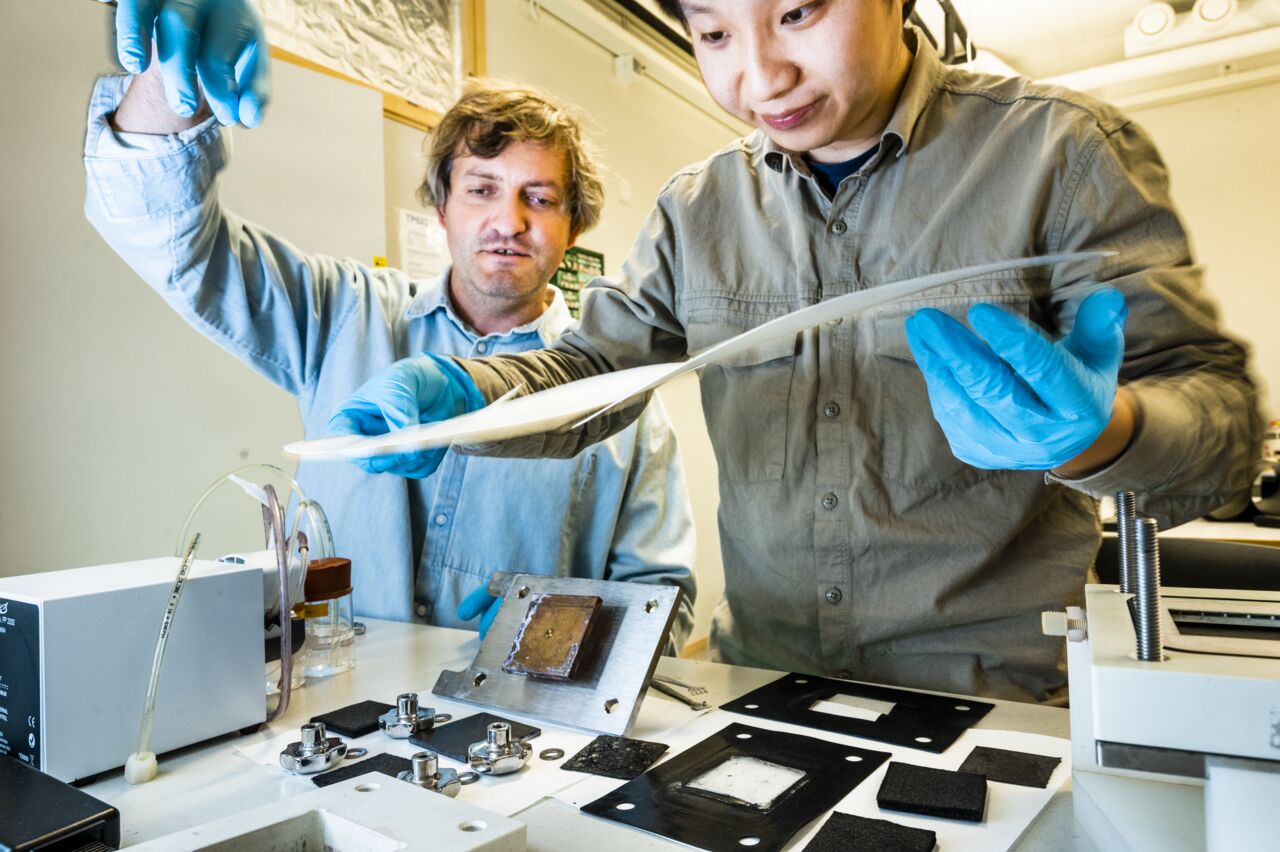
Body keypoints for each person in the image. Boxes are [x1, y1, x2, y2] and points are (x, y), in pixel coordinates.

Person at [116, 0, 1260, 703]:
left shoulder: (1056, 154)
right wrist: (464, 391)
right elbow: (592, 377)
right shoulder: (695, 212)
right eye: (710, 31)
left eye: (797, 13)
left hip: (989, 686)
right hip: (766, 678)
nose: (753, 78)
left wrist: (1108, 435)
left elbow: (1217, 443)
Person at [84, 5, 698, 646]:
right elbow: (171, 244)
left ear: (575, 226)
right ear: (442, 208)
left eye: (539, 198)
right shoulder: (338, 312)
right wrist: (165, 84)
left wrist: (573, 628)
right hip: (326, 702)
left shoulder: (622, 402)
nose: (510, 221)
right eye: (482, 189)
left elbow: (666, 601)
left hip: (515, 722)